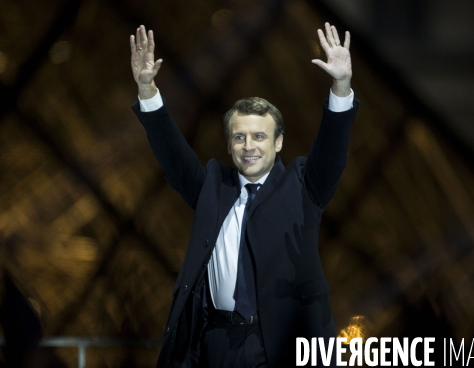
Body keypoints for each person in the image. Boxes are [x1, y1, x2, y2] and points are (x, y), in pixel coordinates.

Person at [130, 23, 358, 368]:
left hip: (279, 346)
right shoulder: (213, 186)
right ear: (229, 144)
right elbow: (174, 157)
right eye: (239, 137)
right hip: (217, 342)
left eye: (259, 137)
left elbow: (332, 152)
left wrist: (341, 86)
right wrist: (147, 90)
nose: (248, 146)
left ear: (278, 142)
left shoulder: (302, 185)